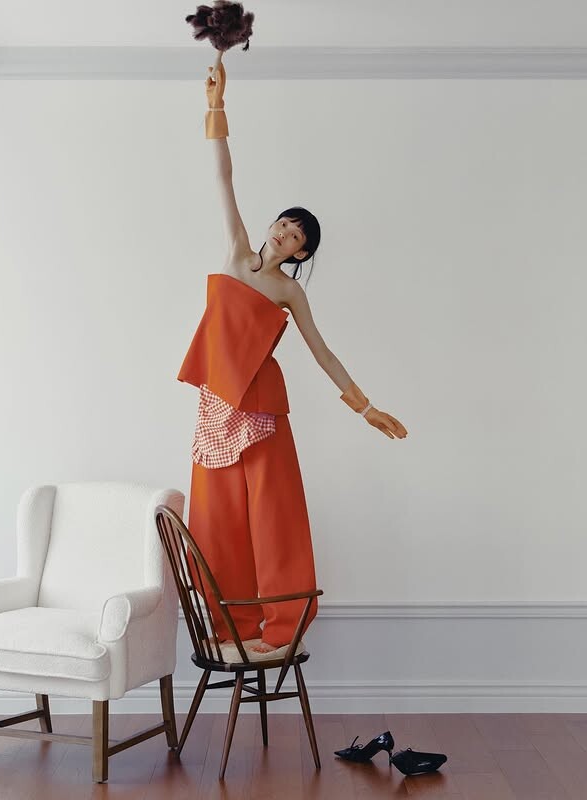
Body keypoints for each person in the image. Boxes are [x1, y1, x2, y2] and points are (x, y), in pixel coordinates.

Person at [177, 53, 408, 656]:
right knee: (216, 522)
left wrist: (365, 407)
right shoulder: (236, 253)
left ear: (301, 253)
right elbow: (223, 178)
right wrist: (216, 107)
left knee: (272, 518)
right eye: (285, 222)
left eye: (297, 234)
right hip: (216, 404)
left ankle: (281, 628)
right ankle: (231, 626)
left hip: (260, 405)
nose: (285, 231)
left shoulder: (288, 292)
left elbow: (323, 353)